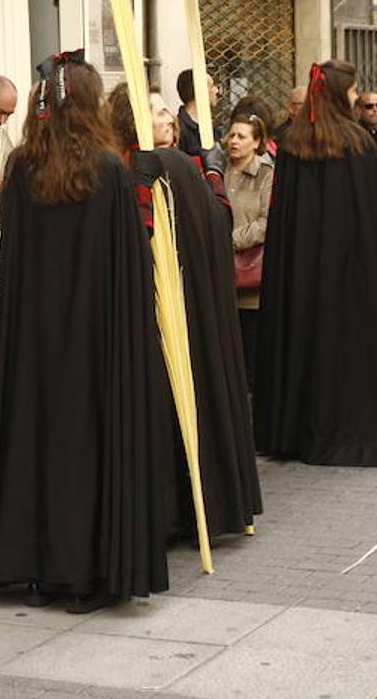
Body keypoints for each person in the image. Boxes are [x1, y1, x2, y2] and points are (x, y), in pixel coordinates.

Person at [0, 57, 171, 612]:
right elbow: (128, 268)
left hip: (34, 342)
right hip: (95, 342)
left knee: (36, 439)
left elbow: (14, 258)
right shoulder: (107, 169)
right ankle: (85, 570)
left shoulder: (24, 168)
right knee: (88, 446)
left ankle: (30, 562)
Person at [253, 60, 377, 466]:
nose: (356, 97)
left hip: (303, 276)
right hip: (351, 273)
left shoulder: (294, 145)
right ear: (337, 93)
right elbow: (373, 218)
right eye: (352, 91)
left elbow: (286, 220)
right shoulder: (358, 144)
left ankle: (296, 428)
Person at [110, 92, 261, 544]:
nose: (168, 117)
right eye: (156, 110)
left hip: (186, 309)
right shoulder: (141, 167)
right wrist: (212, 179)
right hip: (155, 310)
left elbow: (210, 228)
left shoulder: (171, 164)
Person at [224, 113, 274, 390]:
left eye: (242, 136)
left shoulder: (265, 176)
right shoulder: (217, 171)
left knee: (251, 347)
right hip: (220, 276)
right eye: (232, 135)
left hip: (250, 279)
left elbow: (267, 223)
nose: (234, 141)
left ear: (257, 142)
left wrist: (229, 240)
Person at [175, 67, 221, 157]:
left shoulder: (214, 126)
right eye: (211, 86)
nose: (216, 91)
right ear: (200, 91)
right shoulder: (179, 129)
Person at [356, 91, 377, 160]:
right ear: (359, 110)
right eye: (369, 106)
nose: (375, 109)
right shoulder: (356, 136)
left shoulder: (376, 135)